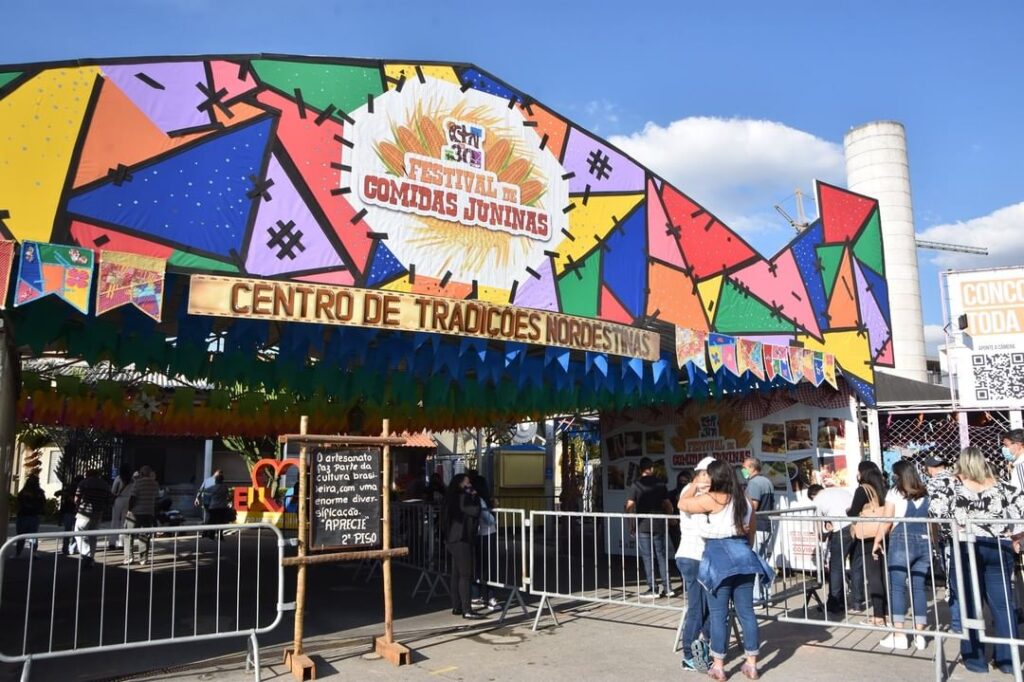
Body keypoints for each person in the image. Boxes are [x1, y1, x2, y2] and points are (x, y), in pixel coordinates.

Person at [930, 447, 1024, 675]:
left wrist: (947, 531)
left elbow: (936, 512)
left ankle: (975, 659)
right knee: (1003, 604)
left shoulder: (953, 486)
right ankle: (1008, 659)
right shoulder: (1002, 485)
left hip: (966, 545)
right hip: (998, 545)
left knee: (970, 603)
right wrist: (1016, 536)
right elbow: (1020, 511)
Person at [679, 460, 772, 681]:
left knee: (718, 614)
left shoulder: (712, 499)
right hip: (744, 555)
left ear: (715, 477)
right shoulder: (745, 499)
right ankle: (752, 664)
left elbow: (683, 504)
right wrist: (744, 549)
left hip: (718, 558)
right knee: (746, 613)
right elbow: (751, 530)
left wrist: (694, 484)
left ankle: (719, 666)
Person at [873, 460, 931, 650]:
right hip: (923, 540)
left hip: (901, 540)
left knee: (897, 588)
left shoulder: (895, 492)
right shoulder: (925, 492)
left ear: (898, 475)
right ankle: (920, 635)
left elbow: (887, 520)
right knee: (918, 588)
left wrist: (877, 540)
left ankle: (899, 634)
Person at [675, 457, 713, 673]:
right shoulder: (693, 493)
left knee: (709, 607)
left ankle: (702, 646)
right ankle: (690, 654)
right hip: (694, 556)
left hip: (697, 556)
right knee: (698, 609)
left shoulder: (696, 491)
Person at [625, 457, 674, 599]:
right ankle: (668, 588)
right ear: (651, 468)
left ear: (640, 469)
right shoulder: (661, 484)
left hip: (643, 525)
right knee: (661, 556)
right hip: (659, 523)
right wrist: (670, 518)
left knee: (647, 557)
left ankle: (653, 589)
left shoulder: (636, 484)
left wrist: (631, 524)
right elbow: (667, 504)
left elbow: (630, 505)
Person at [923, 454, 960, 635]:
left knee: (952, 580)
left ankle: (958, 623)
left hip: (946, 536)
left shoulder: (931, 484)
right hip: (963, 533)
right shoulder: (958, 479)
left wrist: (934, 538)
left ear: (930, 468)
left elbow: (933, 514)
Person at [847, 462, 888, 626]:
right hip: (884, 532)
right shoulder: (883, 487)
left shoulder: (863, 489)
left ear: (863, 473)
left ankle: (878, 616)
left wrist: (848, 511)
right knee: (883, 575)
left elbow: (853, 512)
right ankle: (886, 613)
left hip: (869, 536)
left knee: (873, 576)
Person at [807, 483, 854, 615]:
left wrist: (821, 535)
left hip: (841, 529)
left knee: (836, 567)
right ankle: (856, 600)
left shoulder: (818, 499)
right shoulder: (838, 491)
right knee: (855, 565)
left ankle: (835, 603)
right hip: (857, 525)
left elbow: (817, 526)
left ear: (813, 495)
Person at [445, 474, 485, 620]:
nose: (470, 486)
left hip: (452, 538)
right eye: (467, 483)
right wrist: (475, 497)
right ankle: (467, 609)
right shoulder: (463, 497)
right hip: (462, 538)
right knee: (466, 574)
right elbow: (474, 511)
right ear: (461, 484)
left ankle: (457, 606)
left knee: (456, 573)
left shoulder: (451, 497)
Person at [742, 457, 776, 604]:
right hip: (766, 525)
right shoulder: (767, 481)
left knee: (754, 563)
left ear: (752, 468)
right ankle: (767, 596)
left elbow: (753, 506)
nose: (743, 470)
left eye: (744, 467)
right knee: (762, 562)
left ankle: (757, 598)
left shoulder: (754, 483)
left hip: (758, 526)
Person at [75, 469, 112, 568]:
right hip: (98, 513)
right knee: (93, 536)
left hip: (84, 512)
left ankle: (86, 555)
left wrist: (78, 506)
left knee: (79, 533)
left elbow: (77, 497)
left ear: (88, 474)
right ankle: (91, 556)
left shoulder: (84, 483)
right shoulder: (105, 485)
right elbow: (109, 499)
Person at [124, 466, 160, 565]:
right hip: (149, 512)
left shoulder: (137, 483)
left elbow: (133, 498)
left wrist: (129, 510)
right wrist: (155, 514)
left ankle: (129, 557)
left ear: (141, 473)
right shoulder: (155, 484)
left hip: (135, 513)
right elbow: (156, 500)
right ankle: (143, 559)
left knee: (128, 534)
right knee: (144, 535)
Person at [15, 475, 46, 557]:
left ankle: (19, 553)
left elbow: (19, 501)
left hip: (25, 515)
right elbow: (43, 503)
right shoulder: (38, 492)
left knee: (22, 535)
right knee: (32, 536)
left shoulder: (26, 491)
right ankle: (32, 553)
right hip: (30, 515)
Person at [108, 464, 133, 549]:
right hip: (128, 500)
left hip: (119, 500)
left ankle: (112, 542)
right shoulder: (132, 480)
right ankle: (121, 543)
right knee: (124, 521)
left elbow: (113, 491)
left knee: (115, 521)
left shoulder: (118, 478)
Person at [57, 476, 83, 555]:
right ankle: (72, 548)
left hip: (69, 511)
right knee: (76, 532)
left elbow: (59, 493)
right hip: (76, 511)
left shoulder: (69, 488)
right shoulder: (80, 488)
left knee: (67, 531)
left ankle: (65, 548)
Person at [204, 472, 231, 536]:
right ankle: (220, 534)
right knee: (221, 521)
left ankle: (211, 534)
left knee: (212, 521)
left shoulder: (213, 487)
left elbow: (206, 490)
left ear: (216, 481)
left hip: (213, 507)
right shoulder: (225, 487)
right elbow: (228, 496)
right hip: (222, 507)